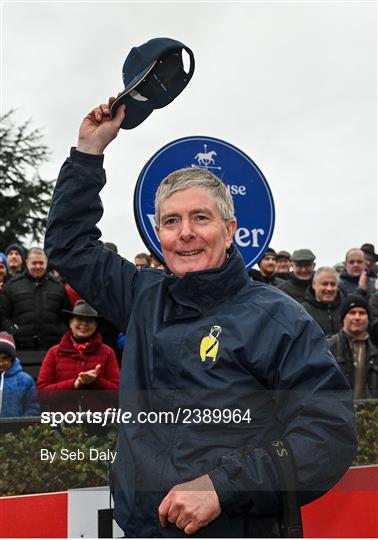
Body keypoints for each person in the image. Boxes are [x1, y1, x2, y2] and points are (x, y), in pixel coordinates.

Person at [44, 98, 356, 538]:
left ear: (230, 230)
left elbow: (328, 436)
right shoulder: (141, 295)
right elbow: (68, 244)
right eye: (171, 221)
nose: (185, 232)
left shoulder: (278, 317)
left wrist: (222, 487)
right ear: (158, 235)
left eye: (200, 218)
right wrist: (88, 152)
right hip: (141, 528)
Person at [37, 300, 120, 411]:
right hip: (62, 422)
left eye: (90, 320)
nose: (84, 324)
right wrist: (75, 384)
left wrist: (96, 382)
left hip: (99, 422)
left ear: (96, 325)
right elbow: (42, 394)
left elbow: (118, 395)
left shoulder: (107, 352)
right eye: (79, 319)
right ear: (70, 322)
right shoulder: (54, 352)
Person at [0, 247, 70, 350]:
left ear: (46, 263)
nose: (38, 266)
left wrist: (60, 332)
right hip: (20, 348)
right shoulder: (11, 286)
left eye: (41, 263)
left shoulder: (58, 287)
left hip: (52, 348)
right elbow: (3, 316)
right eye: (34, 263)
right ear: (27, 262)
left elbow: (66, 316)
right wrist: (13, 332)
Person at [327, 295, 378, 399]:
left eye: (362, 313)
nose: (357, 317)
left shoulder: (375, 351)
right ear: (343, 318)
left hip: (368, 412)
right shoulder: (329, 347)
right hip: (338, 411)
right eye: (352, 313)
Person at [0, 332, 40, 417]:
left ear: (12, 359)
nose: (1, 363)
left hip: (16, 428)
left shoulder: (24, 380)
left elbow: (33, 407)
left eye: (5, 358)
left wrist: (20, 426)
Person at [302, 267, 342, 337]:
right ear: (314, 284)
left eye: (333, 284)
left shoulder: (345, 308)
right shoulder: (304, 311)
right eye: (324, 284)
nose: (329, 288)